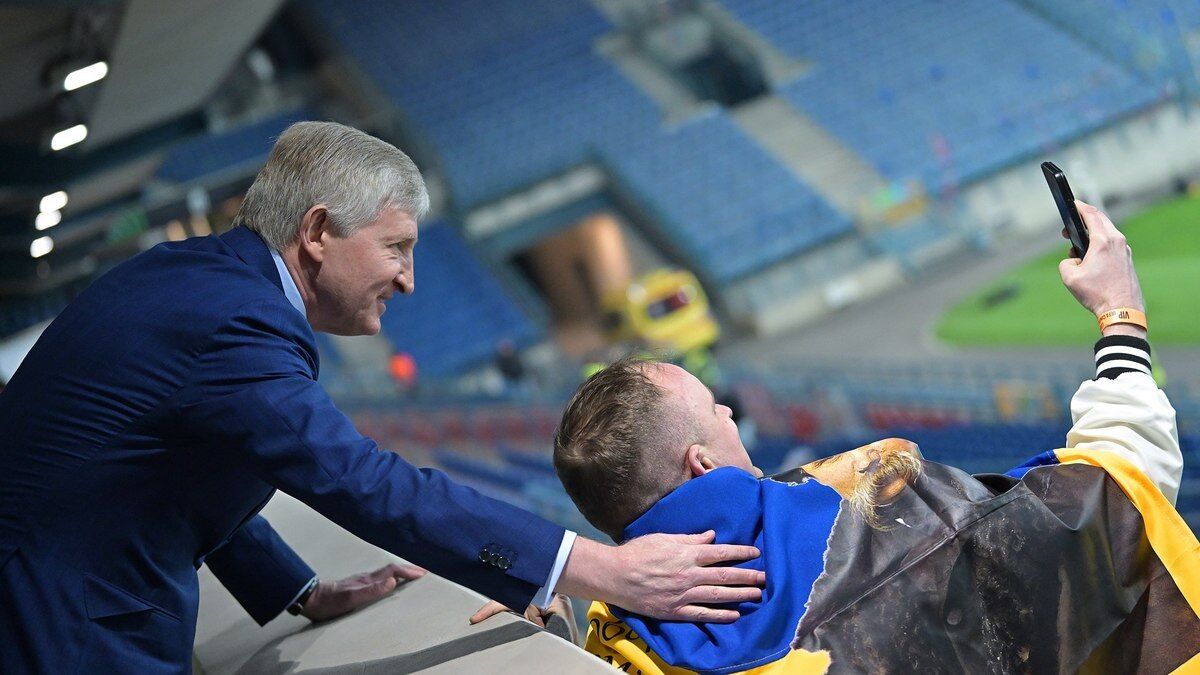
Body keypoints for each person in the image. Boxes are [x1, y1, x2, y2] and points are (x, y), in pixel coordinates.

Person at [0, 122, 764, 673]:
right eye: (396, 246)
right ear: (318, 231)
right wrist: (597, 568)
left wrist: (298, 589)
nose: (408, 279)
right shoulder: (236, 322)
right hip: (64, 626)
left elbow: (177, 463)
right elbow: (362, 482)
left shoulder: (197, 279)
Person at [553, 201, 1199, 673]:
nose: (728, 411)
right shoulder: (877, 511)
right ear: (700, 465)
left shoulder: (613, 645)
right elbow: (1116, 500)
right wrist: (1120, 316)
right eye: (712, 409)